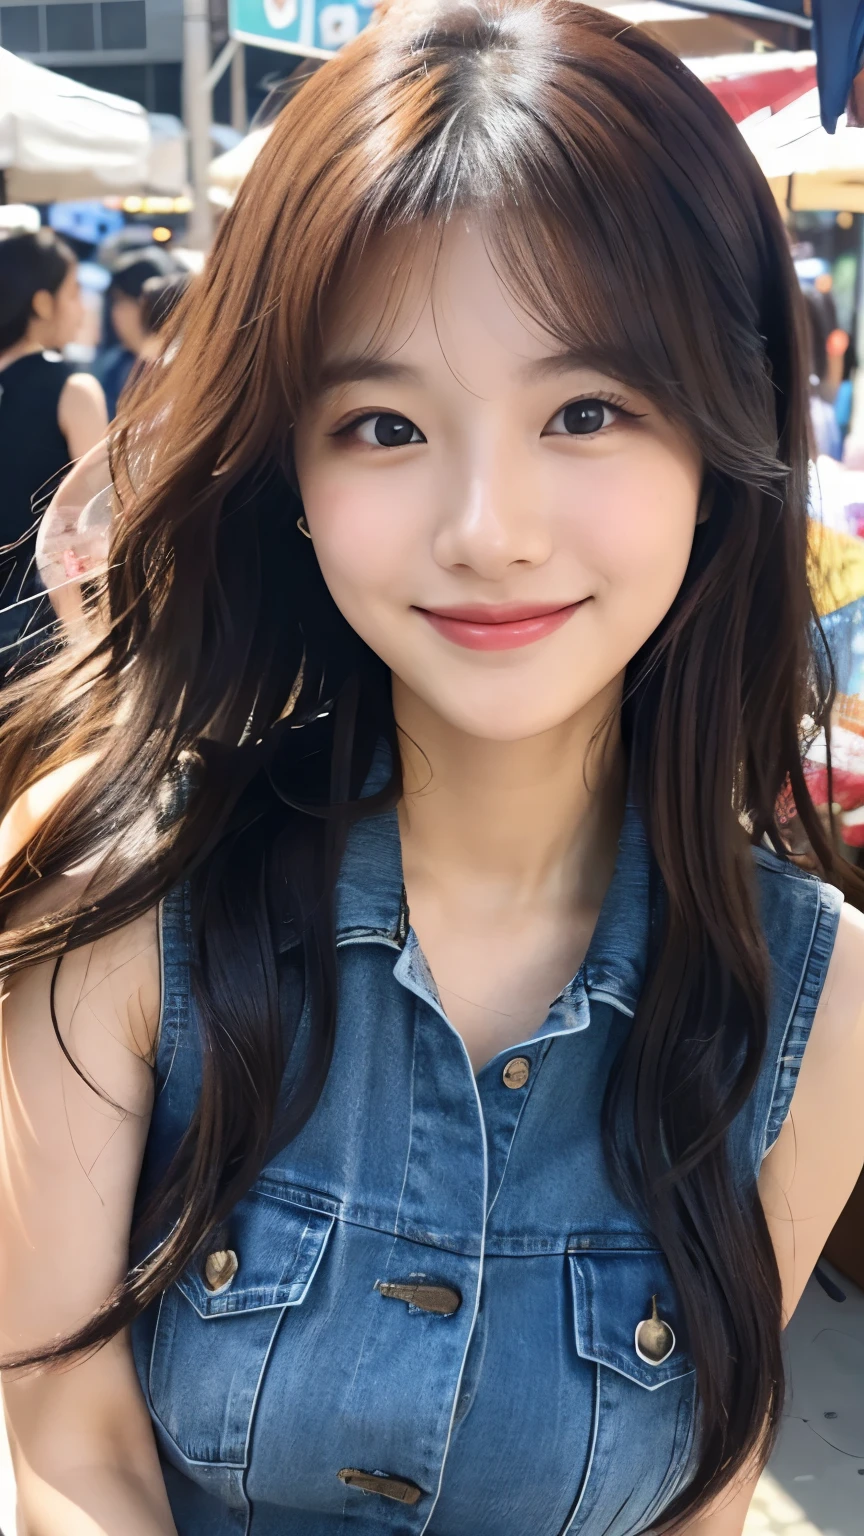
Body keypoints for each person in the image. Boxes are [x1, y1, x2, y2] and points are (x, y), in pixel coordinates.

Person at [0, 4, 863, 1534]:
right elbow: (72, 1441)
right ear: (292, 475)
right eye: (385, 424)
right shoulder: (128, 888)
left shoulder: (818, 993)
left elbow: (704, 1496)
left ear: (721, 444)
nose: (488, 525)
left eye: (586, 410)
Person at [0, 228, 107, 661]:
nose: (81, 310)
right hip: (41, 624)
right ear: (42, 303)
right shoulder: (72, 389)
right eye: (74, 292)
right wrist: (91, 634)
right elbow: (94, 522)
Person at [95, 247, 181, 418]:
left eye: (121, 301)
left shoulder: (181, 364)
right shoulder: (115, 365)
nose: (115, 312)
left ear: (144, 303)